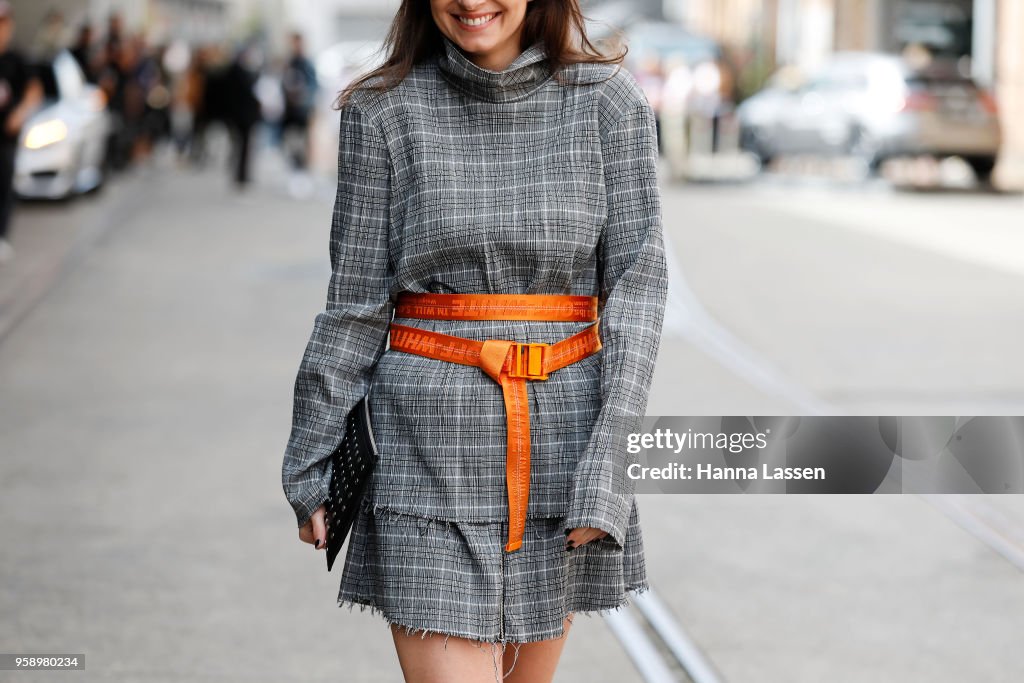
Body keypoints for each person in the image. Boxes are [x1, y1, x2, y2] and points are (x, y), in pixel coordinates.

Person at [281, 1, 668, 682]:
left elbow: (638, 296)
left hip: (563, 447)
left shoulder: (610, 104)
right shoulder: (382, 111)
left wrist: (609, 468)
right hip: (424, 450)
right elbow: (355, 303)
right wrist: (311, 453)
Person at [0, 1, 42, 264]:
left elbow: (33, 90)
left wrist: (20, 113)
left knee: (3, 185)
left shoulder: (15, 59)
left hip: (5, 138)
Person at [222, 42, 262, 188]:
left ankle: (240, 174)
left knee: (240, 146)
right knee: (242, 146)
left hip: (240, 116)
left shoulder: (237, 71)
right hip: (241, 117)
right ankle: (240, 175)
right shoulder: (238, 72)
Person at [279, 32, 317, 170]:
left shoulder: (306, 63)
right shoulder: (289, 62)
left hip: (302, 109)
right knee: (289, 140)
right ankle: (294, 166)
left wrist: (303, 98)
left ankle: (302, 167)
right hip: (289, 110)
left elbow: (313, 87)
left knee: (302, 141)